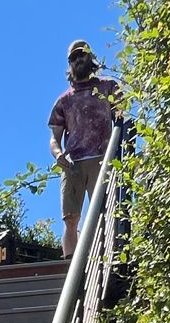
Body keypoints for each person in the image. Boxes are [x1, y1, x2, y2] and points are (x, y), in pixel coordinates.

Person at [48, 40, 120, 257]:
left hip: (103, 158)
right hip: (73, 164)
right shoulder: (64, 101)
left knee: (104, 212)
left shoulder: (108, 88)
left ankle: (107, 257)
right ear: (69, 64)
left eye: (82, 55)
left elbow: (122, 118)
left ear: (91, 58)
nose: (79, 59)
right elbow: (54, 139)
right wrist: (58, 155)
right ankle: (70, 262)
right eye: (74, 57)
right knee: (71, 218)